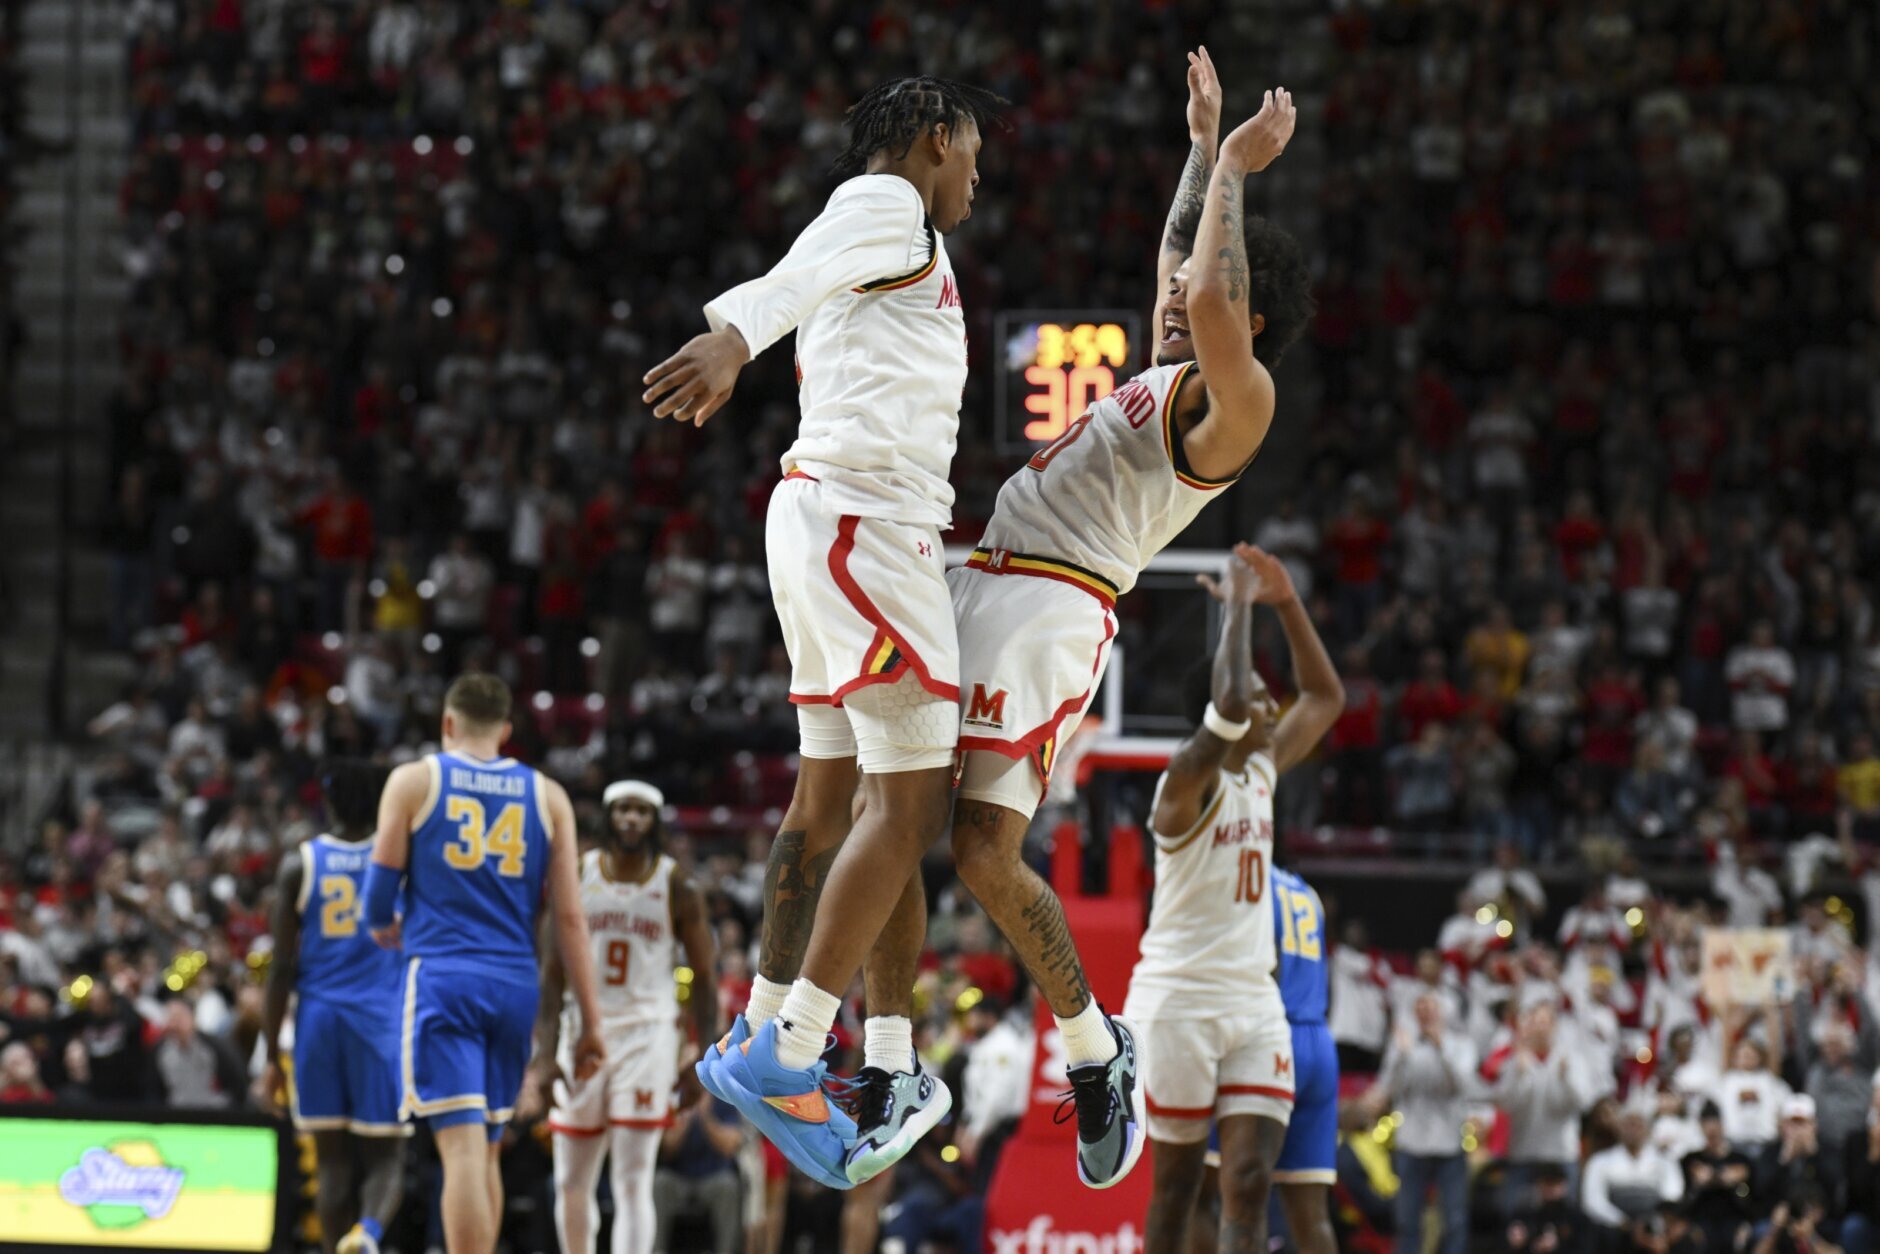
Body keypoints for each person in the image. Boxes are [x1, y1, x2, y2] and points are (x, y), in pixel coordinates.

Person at [945, 52, 1305, 1194]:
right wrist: (1198, 148)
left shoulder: (1238, 400)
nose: (1173, 293)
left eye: (1201, 288)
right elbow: (1179, 268)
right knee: (896, 814)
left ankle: (1094, 1045)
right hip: (990, 572)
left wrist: (1236, 167)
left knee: (979, 849)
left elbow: (1208, 295)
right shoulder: (1169, 359)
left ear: (1248, 316)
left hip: (1053, 600)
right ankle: (870, 1048)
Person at [646, 75, 1006, 1189]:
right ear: (936, 139)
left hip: (826, 525)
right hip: (868, 527)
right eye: (974, 153)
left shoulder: (899, 232)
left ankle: (773, 1021)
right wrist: (733, 339)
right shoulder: (887, 203)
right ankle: (791, 1050)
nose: (978, 178)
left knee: (830, 796)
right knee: (911, 807)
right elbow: (793, 276)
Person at [1127, 542, 1344, 1254]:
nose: (1271, 704)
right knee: (1177, 1191)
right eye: (1258, 694)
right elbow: (1225, 703)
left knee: (1248, 1181)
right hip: (1179, 1000)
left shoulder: (1261, 769)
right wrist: (1239, 606)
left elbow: (1326, 698)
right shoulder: (1184, 786)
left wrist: (1286, 602)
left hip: (1254, 1002)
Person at [364, 674, 605, 1254]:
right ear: (505, 730)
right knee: (488, 1146)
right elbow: (570, 920)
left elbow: (376, 895)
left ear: (448, 722)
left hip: (445, 979)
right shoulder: (548, 796)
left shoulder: (414, 781)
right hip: (515, 986)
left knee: (461, 1150)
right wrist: (592, 1022)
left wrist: (382, 922)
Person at [517, 780, 719, 1254]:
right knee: (570, 1177)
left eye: (641, 811)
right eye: (623, 809)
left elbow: (705, 978)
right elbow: (551, 974)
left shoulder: (678, 884)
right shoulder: (576, 874)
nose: (631, 819)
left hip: (649, 1036)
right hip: (583, 1030)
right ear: (608, 816)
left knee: (633, 1179)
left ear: (655, 821)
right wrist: (545, 1055)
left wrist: (703, 1055)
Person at [261, 760, 408, 1254]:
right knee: (387, 1158)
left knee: (332, 1165)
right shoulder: (400, 859)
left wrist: (270, 1057)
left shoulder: (299, 864)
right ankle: (367, 1235)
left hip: (318, 1022)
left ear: (327, 802)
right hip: (380, 1021)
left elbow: (280, 968)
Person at [1370, 992, 1476, 1254]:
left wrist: (1441, 1048)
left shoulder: (1462, 1044)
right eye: (1420, 1006)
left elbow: (1464, 1086)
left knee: (1454, 1220)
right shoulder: (1403, 1043)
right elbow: (1390, 1089)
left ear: (1443, 1011)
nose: (1425, 1012)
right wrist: (1402, 1056)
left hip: (1449, 1143)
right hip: (1411, 1142)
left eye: (1431, 1006)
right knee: (1406, 1220)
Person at [1267, 867, 1338, 1254]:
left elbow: (1267, 966)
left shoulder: (1248, 878)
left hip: (1275, 1035)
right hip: (1318, 1038)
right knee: (1312, 1216)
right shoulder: (1307, 892)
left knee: (1224, 1198)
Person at [1582, 1107, 1685, 1235]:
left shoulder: (1665, 1161)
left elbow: (1673, 1194)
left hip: (1654, 1225)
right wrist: (1621, 1222)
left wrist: (1653, 1221)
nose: (1633, 1131)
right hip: (1612, 1229)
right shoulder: (1599, 1161)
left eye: (1638, 1125)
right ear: (1619, 1128)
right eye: (1629, 1125)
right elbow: (1593, 1201)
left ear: (1648, 1130)